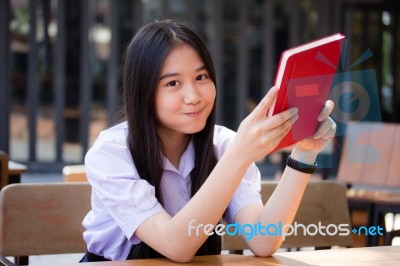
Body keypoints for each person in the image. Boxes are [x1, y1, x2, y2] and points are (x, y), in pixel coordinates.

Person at [81, 19, 336, 262]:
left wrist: (304, 154)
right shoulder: (111, 153)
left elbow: (263, 240)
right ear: (143, 92)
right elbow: (176, 245)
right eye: (173, 83)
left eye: (201, 77)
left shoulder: (224, 144)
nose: (193, 96)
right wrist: (241, 154)